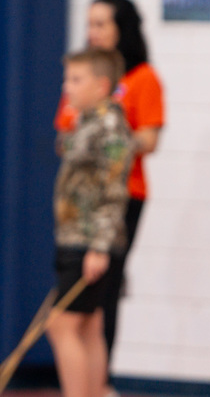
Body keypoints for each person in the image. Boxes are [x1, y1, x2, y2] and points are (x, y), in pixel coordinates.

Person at [54, 0, 164, 394]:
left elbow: (146, 140)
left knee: (89, 303)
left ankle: (94, 385)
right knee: (90, 313)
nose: (93, 31)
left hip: (118, 198)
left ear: (122, 28)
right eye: (90, 24)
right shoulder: (84, 78)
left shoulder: (139, 79)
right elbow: (65, 136)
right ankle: (94, 385)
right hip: (82, 206)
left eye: (102, 24)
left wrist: (109, 139)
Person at [48, 49, 135, 397]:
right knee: (88, 325)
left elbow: (114, 192)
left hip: (90, 241)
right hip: (78, 237)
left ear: (101, 85)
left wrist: (98, 247)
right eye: (67, 78)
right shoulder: (88, 121)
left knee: (60, 325)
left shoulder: (110, 127)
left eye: (76, 79)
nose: (66, 86)